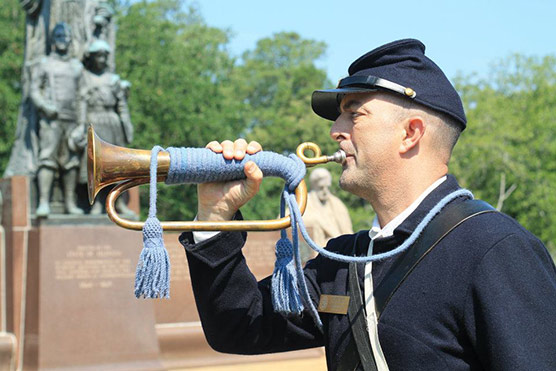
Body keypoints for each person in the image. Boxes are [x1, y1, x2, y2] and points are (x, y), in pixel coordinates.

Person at [179, 39, 556, 370]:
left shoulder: (495, 248)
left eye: (354, 112)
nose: (334, 130)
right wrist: (215, 215)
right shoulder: (346, 260)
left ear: (410, 133)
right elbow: (241, 327)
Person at [31, 22, 85, 217]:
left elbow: (82, 96)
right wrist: (45, 106)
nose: (63, 40)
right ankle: (43, 202)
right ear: (53, 40)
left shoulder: (76, 66)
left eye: (66, 37)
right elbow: (34, 90)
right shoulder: (44, 64)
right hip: (51, 119)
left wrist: (81, 124)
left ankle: (70, 203)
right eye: (59, 37)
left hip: (71, 120)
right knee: (47, 158)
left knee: (71, 162)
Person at [79, 39, 134, 216]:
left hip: (112, 123)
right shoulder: (84, 77)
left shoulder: (114, 80)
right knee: (94, 164)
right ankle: (95, 203)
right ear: (92, 57)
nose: (101, 59)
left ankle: (118, 202)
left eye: (104, 56)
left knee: (117, 164)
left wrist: (127, 127)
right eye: (98, 56)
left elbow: (122, 107)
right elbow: (80, 104)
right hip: (93, 121)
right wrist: (81, 126)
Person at [303, 167, 353, 249]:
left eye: (327, 187)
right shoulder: (303, 203)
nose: (325, 191)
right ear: (313, 186)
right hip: (315, 251)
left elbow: (347, 232)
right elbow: (287, 221)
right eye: (321, 187)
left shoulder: (337, 204)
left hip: (340, 250)